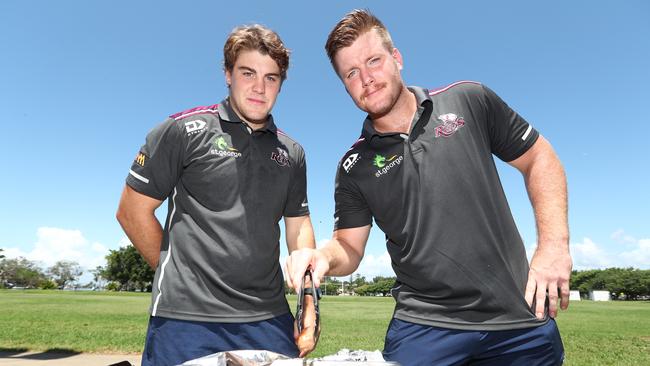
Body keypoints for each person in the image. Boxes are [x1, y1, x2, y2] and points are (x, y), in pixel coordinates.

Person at [286, 9, 571, 365]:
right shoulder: (353, 167)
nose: (366, 78)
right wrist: (323, 256)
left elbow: (539, 157)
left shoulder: (469, 99)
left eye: (373, 61)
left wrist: (554, 246)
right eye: (352, 73)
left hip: (518, 317)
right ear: (345, 85)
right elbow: (349, 246)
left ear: (397, 58)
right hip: (424, 326)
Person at [116, 24, 316, 366]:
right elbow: (132, 211)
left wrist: (309, 305)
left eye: (271, 78)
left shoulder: (292, 152)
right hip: (187, 320)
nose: (259, 87)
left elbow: (299, 230)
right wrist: (179, 274)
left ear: (281, 84)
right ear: (227, 74)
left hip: (268, 318)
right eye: (247, 73)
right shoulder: (182, 130)